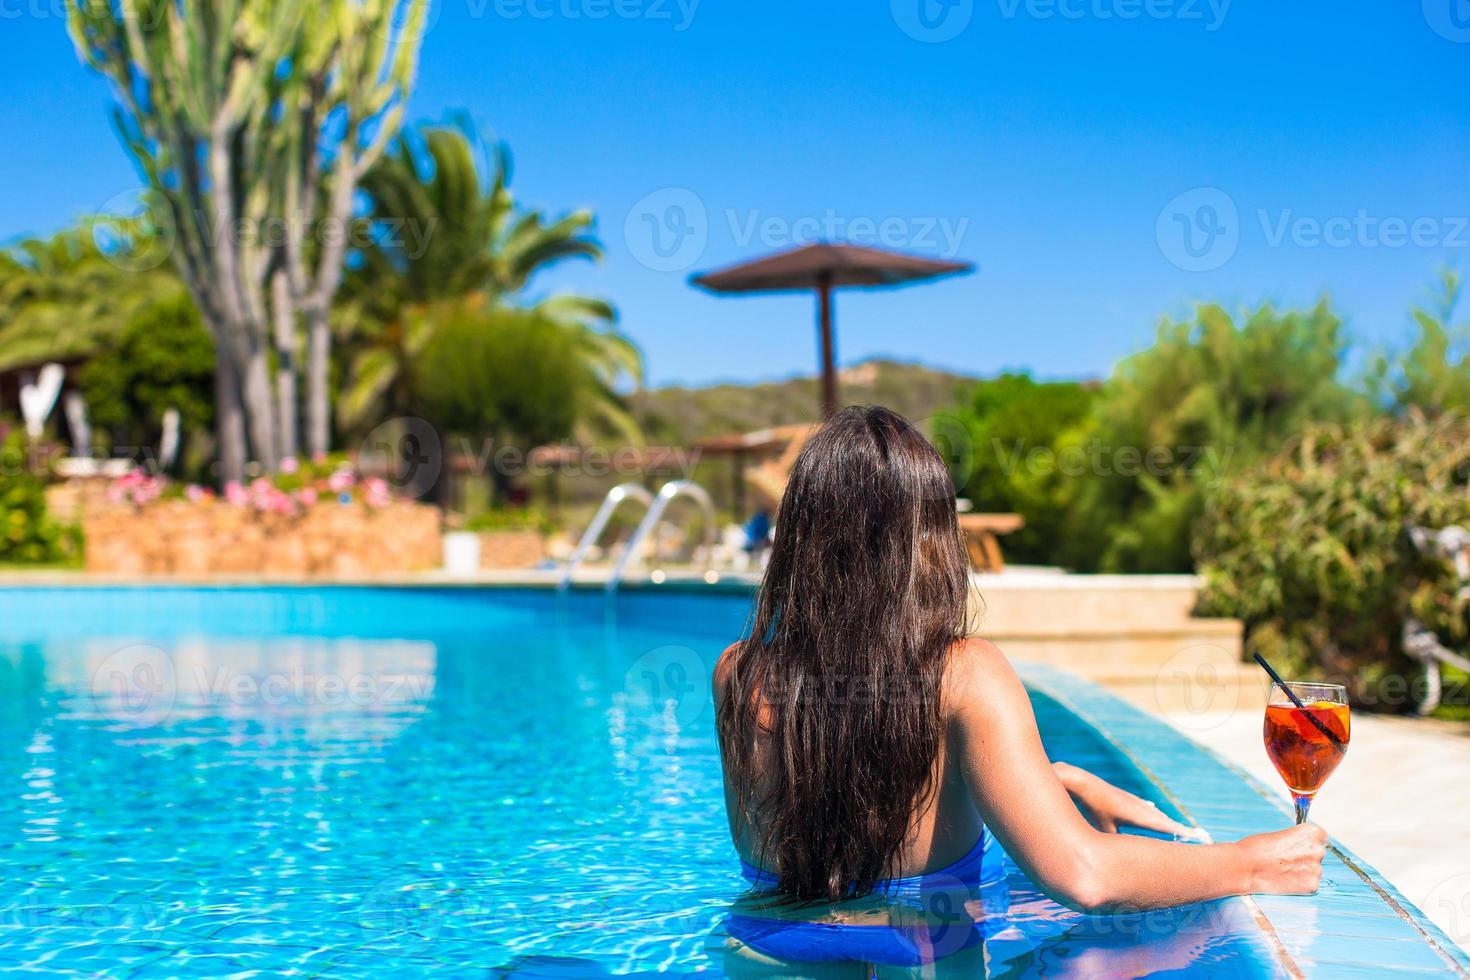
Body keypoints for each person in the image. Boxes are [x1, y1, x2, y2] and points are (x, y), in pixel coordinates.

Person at [712, 406, 1325, 967]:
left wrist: (1055, 782)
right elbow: (1085, 877)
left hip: (760, 955)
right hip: (921, 958)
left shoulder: (737, 674)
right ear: (930, 540)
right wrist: (1252, 860)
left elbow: (851, 775)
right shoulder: (965, 674)